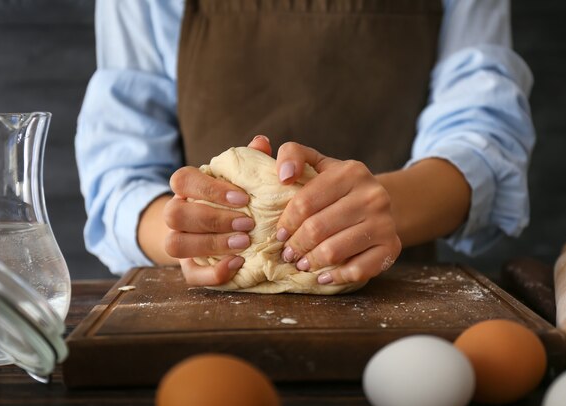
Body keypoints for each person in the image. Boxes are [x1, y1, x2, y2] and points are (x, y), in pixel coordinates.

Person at [76, 0, 535, 288]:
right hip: (208, 303)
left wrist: (386, 206)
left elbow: (484, 132)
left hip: (396, 294)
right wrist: (181, 233)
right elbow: (120, 172)